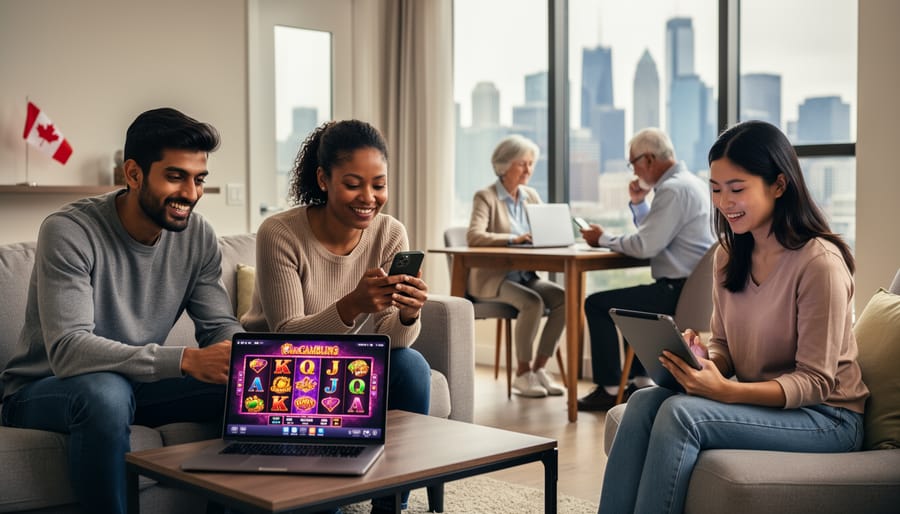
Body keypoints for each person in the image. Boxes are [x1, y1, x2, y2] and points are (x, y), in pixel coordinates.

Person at [597, 120, 869, 514]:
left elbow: (815, 382)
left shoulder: (819, 264)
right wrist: (705, 362)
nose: (725, 202)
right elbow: (723, 346)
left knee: (680, 415)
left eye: (737, 189)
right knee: (641, 404)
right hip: (767, 405)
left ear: (778, 185)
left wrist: (725, 391)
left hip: (828, 418)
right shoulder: (729, 255)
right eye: (716, 190)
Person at [0, 108, 243, 514]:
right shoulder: (69, 231)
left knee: (254, 385)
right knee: (106, 392)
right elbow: (70, 349)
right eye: (175, 176)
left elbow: (218, 324)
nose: (191, 193)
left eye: (199, 179)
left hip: (136, 384)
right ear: (133, 174)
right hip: (48, 388)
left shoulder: (198, 236)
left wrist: (251, 360)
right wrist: (183, 360)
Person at [241, 119, 431, 514]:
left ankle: (391, 503)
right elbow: (285, 335)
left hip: (353, 363)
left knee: (411, 366)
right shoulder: (280, 232)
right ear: (323, 179)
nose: (369, 197)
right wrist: (353, 304)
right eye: (353, 183)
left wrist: (409, 314)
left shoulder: (390, 233)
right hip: (283, 367)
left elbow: (390, 341)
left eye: (378, 185)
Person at [578, 128, 715, 411]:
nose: (633, 170)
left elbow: (644, 246)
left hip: (678, 290)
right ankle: (640, 382)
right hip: (696, 292)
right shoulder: (693, 184)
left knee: (596, 304)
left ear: (649, 159)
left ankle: (609, 387)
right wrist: (640, 203)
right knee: (636, 304)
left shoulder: (673, 190)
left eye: (633, 163)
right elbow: (656, 234)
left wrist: (601, 238)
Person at [466, 134, 566, 398]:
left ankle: (538, 369)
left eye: (531, 164)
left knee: (563, 299)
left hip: (525, 275)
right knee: (532, 302)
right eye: (522, 164)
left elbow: (546, 230)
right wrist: (514, 238)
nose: (528, 170)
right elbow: (474, 236)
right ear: (503, 166)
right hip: (494, 279)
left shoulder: (531, 195)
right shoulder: (485, 197)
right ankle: (522, 374)